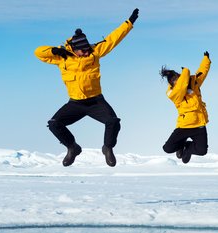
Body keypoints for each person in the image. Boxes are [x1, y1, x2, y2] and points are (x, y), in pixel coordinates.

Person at [34, 8, 139, 167]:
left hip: (96, 102)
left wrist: (129, 23)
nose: (85, 52)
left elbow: (113, 39)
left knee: (113, 122)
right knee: (54, 124)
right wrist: (53, 50)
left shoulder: (95, 52)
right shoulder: (62, 58)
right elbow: (38, 52)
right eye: (82, 51)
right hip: (75, 104)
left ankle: (107, 148)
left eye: (86, 49)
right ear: (74, 50)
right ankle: (72, 148)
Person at [160, 52, 211, 164]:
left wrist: (206, 60)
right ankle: (180, 144)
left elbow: (202, 72)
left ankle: (187, 147)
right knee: (167, 149)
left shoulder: (193, 82)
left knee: (202, 151)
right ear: (173, 84)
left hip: (199, 124)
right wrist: (185, 72)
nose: (180, 83)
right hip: (184, 126)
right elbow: (181, 87)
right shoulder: (173, 93)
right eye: (176, 82)